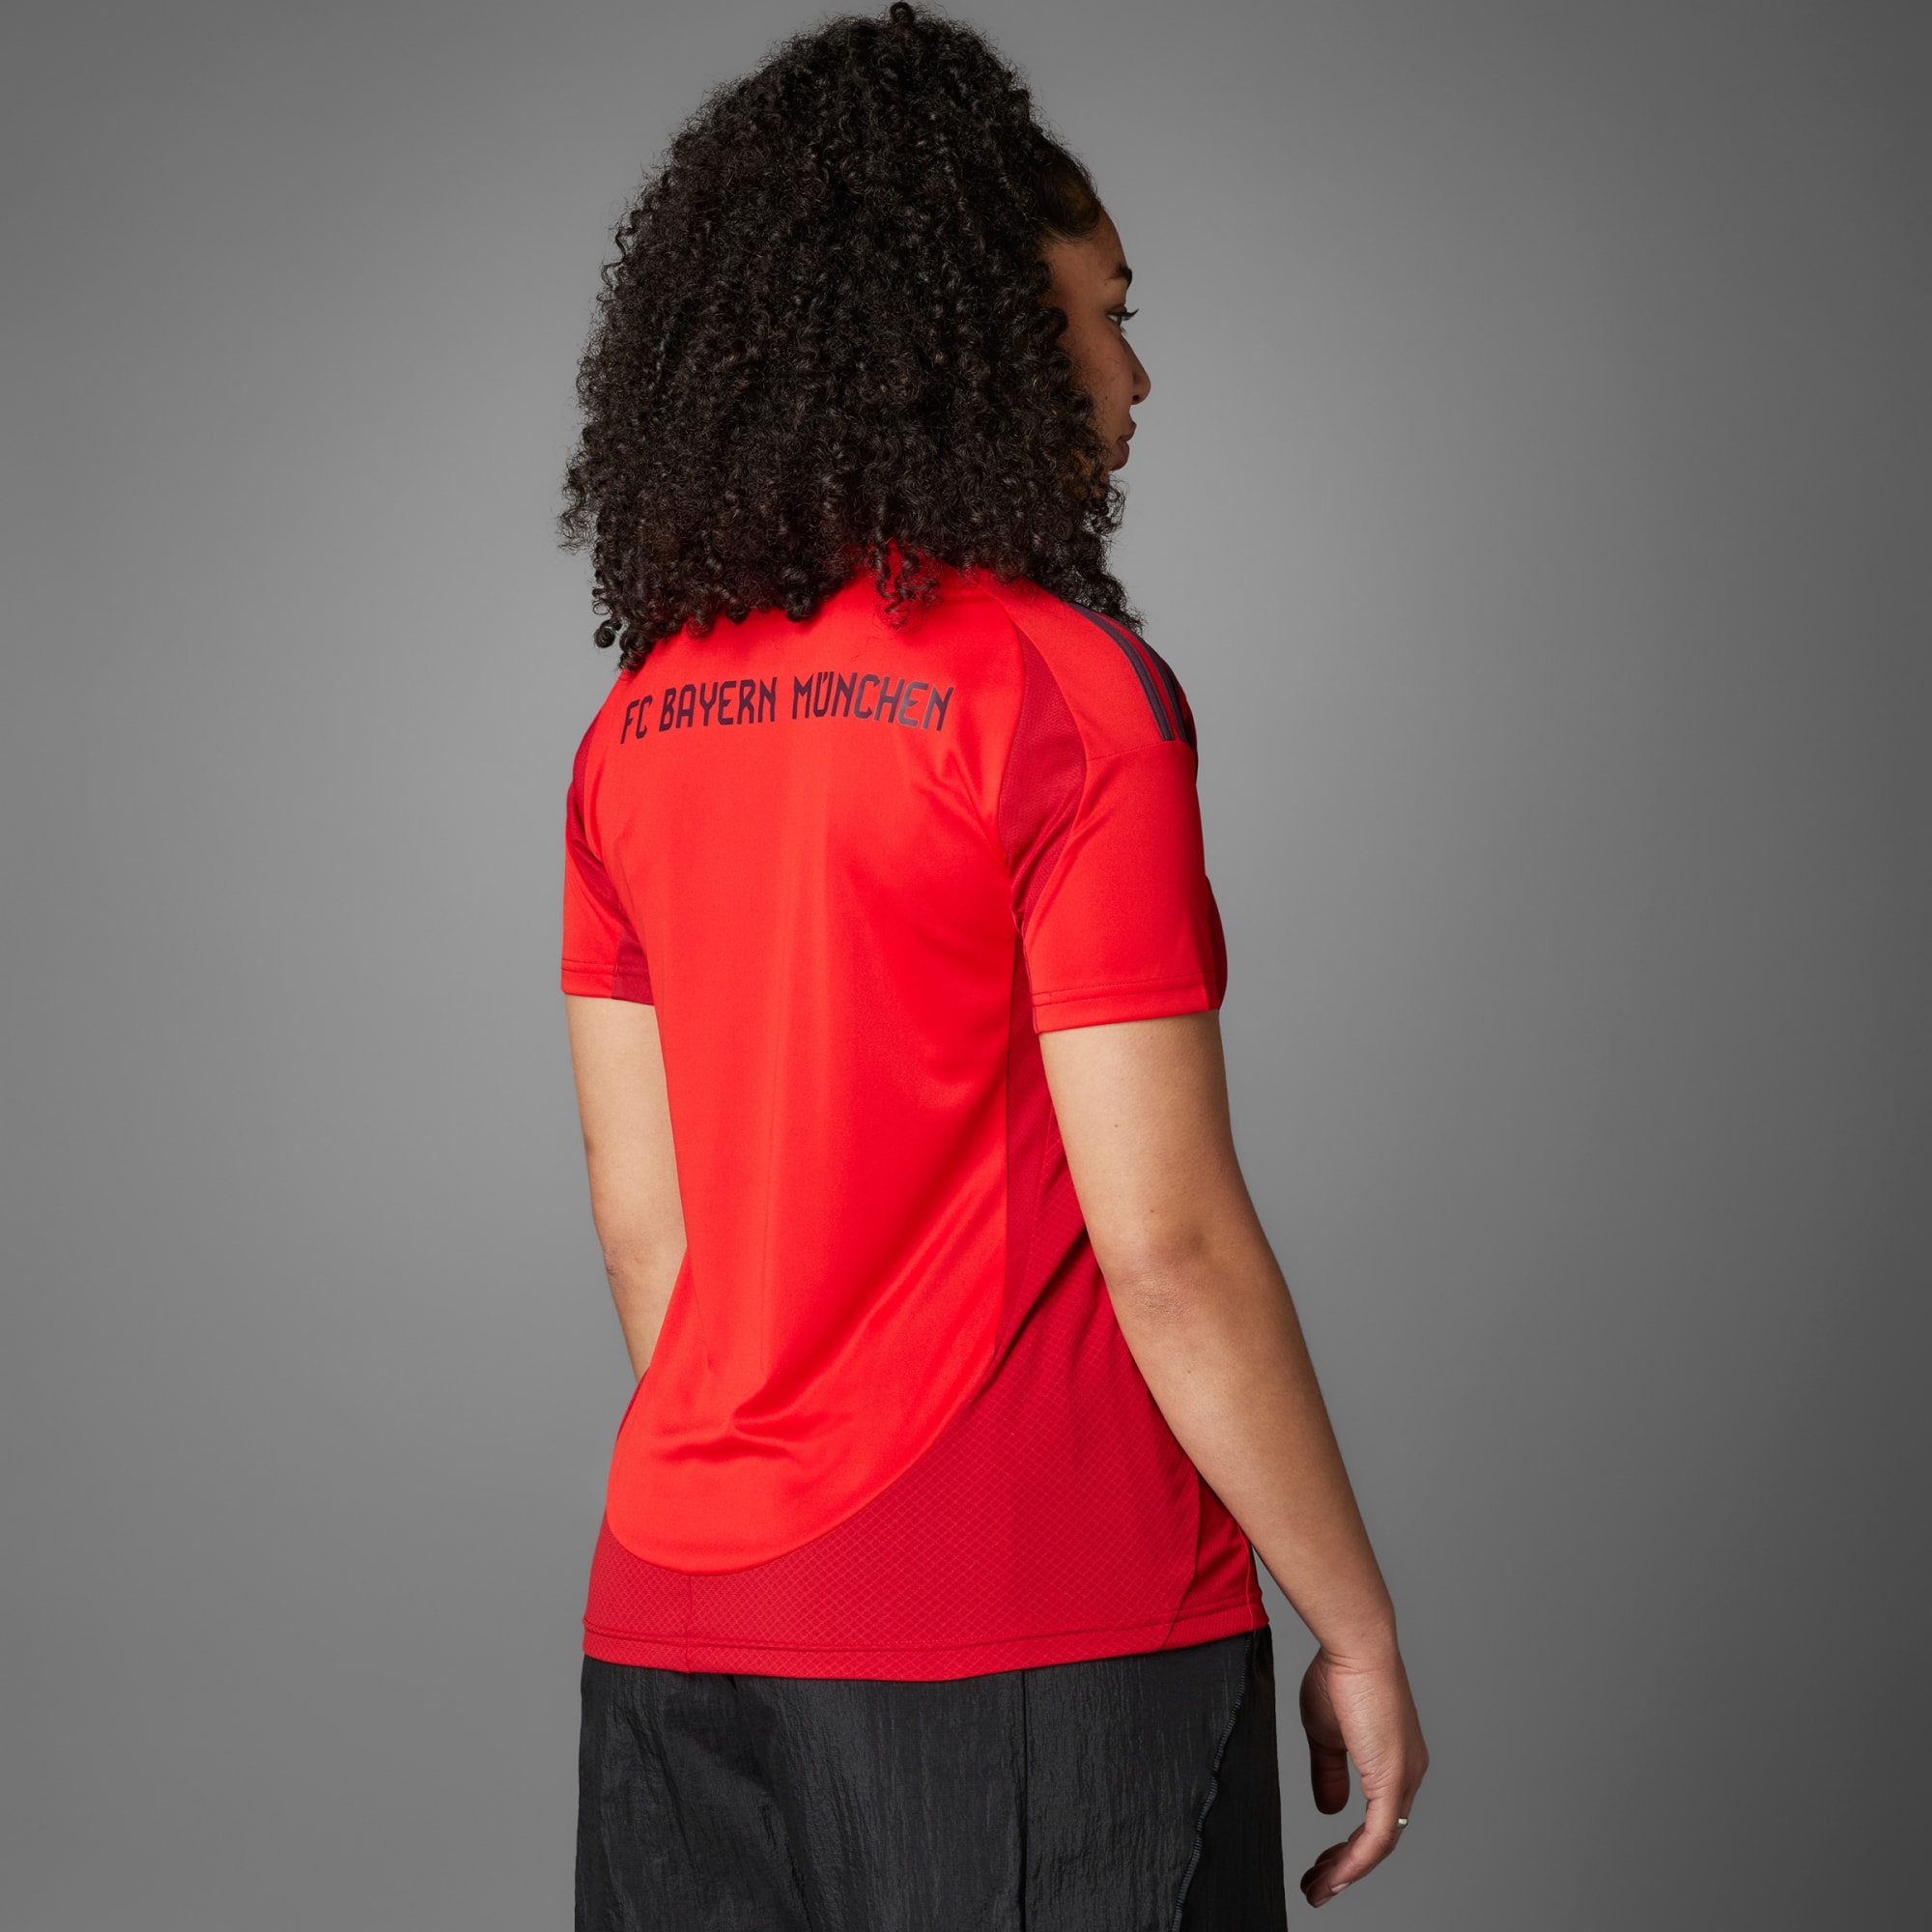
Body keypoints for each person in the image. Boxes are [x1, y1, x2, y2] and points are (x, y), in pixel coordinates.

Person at [556, 7, 1426, 1925]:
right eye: (1105, 313)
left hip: (684, 1625)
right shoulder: (1063, 694)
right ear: (980, 348)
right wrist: (1351, 1618)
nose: (1137, 368)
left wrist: (786, 1523)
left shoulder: (640, 723)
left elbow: (648, 1233)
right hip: (1035, 1637)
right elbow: (1167, 1245)